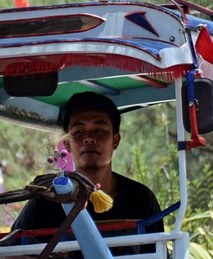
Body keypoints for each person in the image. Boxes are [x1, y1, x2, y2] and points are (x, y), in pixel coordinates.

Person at [12, 92, 164, 249]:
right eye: (79, 132)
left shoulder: (141, 199)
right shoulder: (46, 199)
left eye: (99, 130)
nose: (89, 138)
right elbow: (11, 256)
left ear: (115, 141)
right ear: (67, 144)